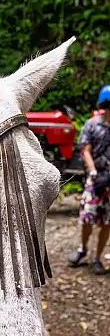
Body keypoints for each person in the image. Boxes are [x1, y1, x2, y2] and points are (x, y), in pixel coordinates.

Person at [68, 85, 110, 274]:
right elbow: (85, 150)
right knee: (87, 219)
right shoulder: (92, 125)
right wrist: (93, 172)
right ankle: (83, 249)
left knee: (107, 223)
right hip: (95, 180)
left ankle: (97, 258)